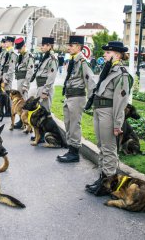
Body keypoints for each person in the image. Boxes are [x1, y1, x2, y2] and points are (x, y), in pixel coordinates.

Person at [86, 41, 133, 195]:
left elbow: (121, 102)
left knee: (109, 148)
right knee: (101, 145)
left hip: (109, 113)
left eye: (108, 52)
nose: (104, 54)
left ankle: (109, 184)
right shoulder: (108, 70)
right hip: (99, 110)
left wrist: (118, 124)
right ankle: (102, 178)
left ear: (117, 55)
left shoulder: (122, 73)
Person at [57, 35, 96, 163]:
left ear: (79, 47)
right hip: (69, 97)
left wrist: (91, 99)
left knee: (74, 125)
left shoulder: (83, 62)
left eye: (71, 45)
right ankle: (70, 149)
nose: (69, 47)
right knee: (68, 124)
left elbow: (90, 80)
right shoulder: (73, 60)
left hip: (77, 97)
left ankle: (74, 153)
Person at [33, 37, 58, 113]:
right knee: (39, 111)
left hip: (45, 88)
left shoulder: (52, 59)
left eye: (43, 45)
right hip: (40, 86)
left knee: (45, 112)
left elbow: (51, 76)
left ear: (49, 46)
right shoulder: (46, 57)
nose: (41, 47)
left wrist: (45, 91)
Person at [1, 36, 17, 116]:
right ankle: (6, 110)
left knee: (8, 94)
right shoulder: (6, 52)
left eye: (7, 42)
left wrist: (6, 79)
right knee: (5, 94)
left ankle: (10, 111)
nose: (5, 43)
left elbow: (11, 68)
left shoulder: (12, 54)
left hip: (8, 76)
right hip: (4, 74)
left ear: (11, 43)